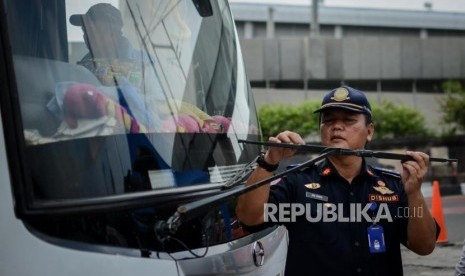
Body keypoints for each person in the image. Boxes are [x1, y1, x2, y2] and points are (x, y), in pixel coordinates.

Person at [236, 86, 439, 276]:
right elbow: (249, 217)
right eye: (329, 120)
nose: (337, 127)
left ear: (369, 131)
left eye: (349, 120)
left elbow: (424, 246)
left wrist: (414, 193)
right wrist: (270, 161)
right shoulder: (298, 180)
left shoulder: (393, 185)